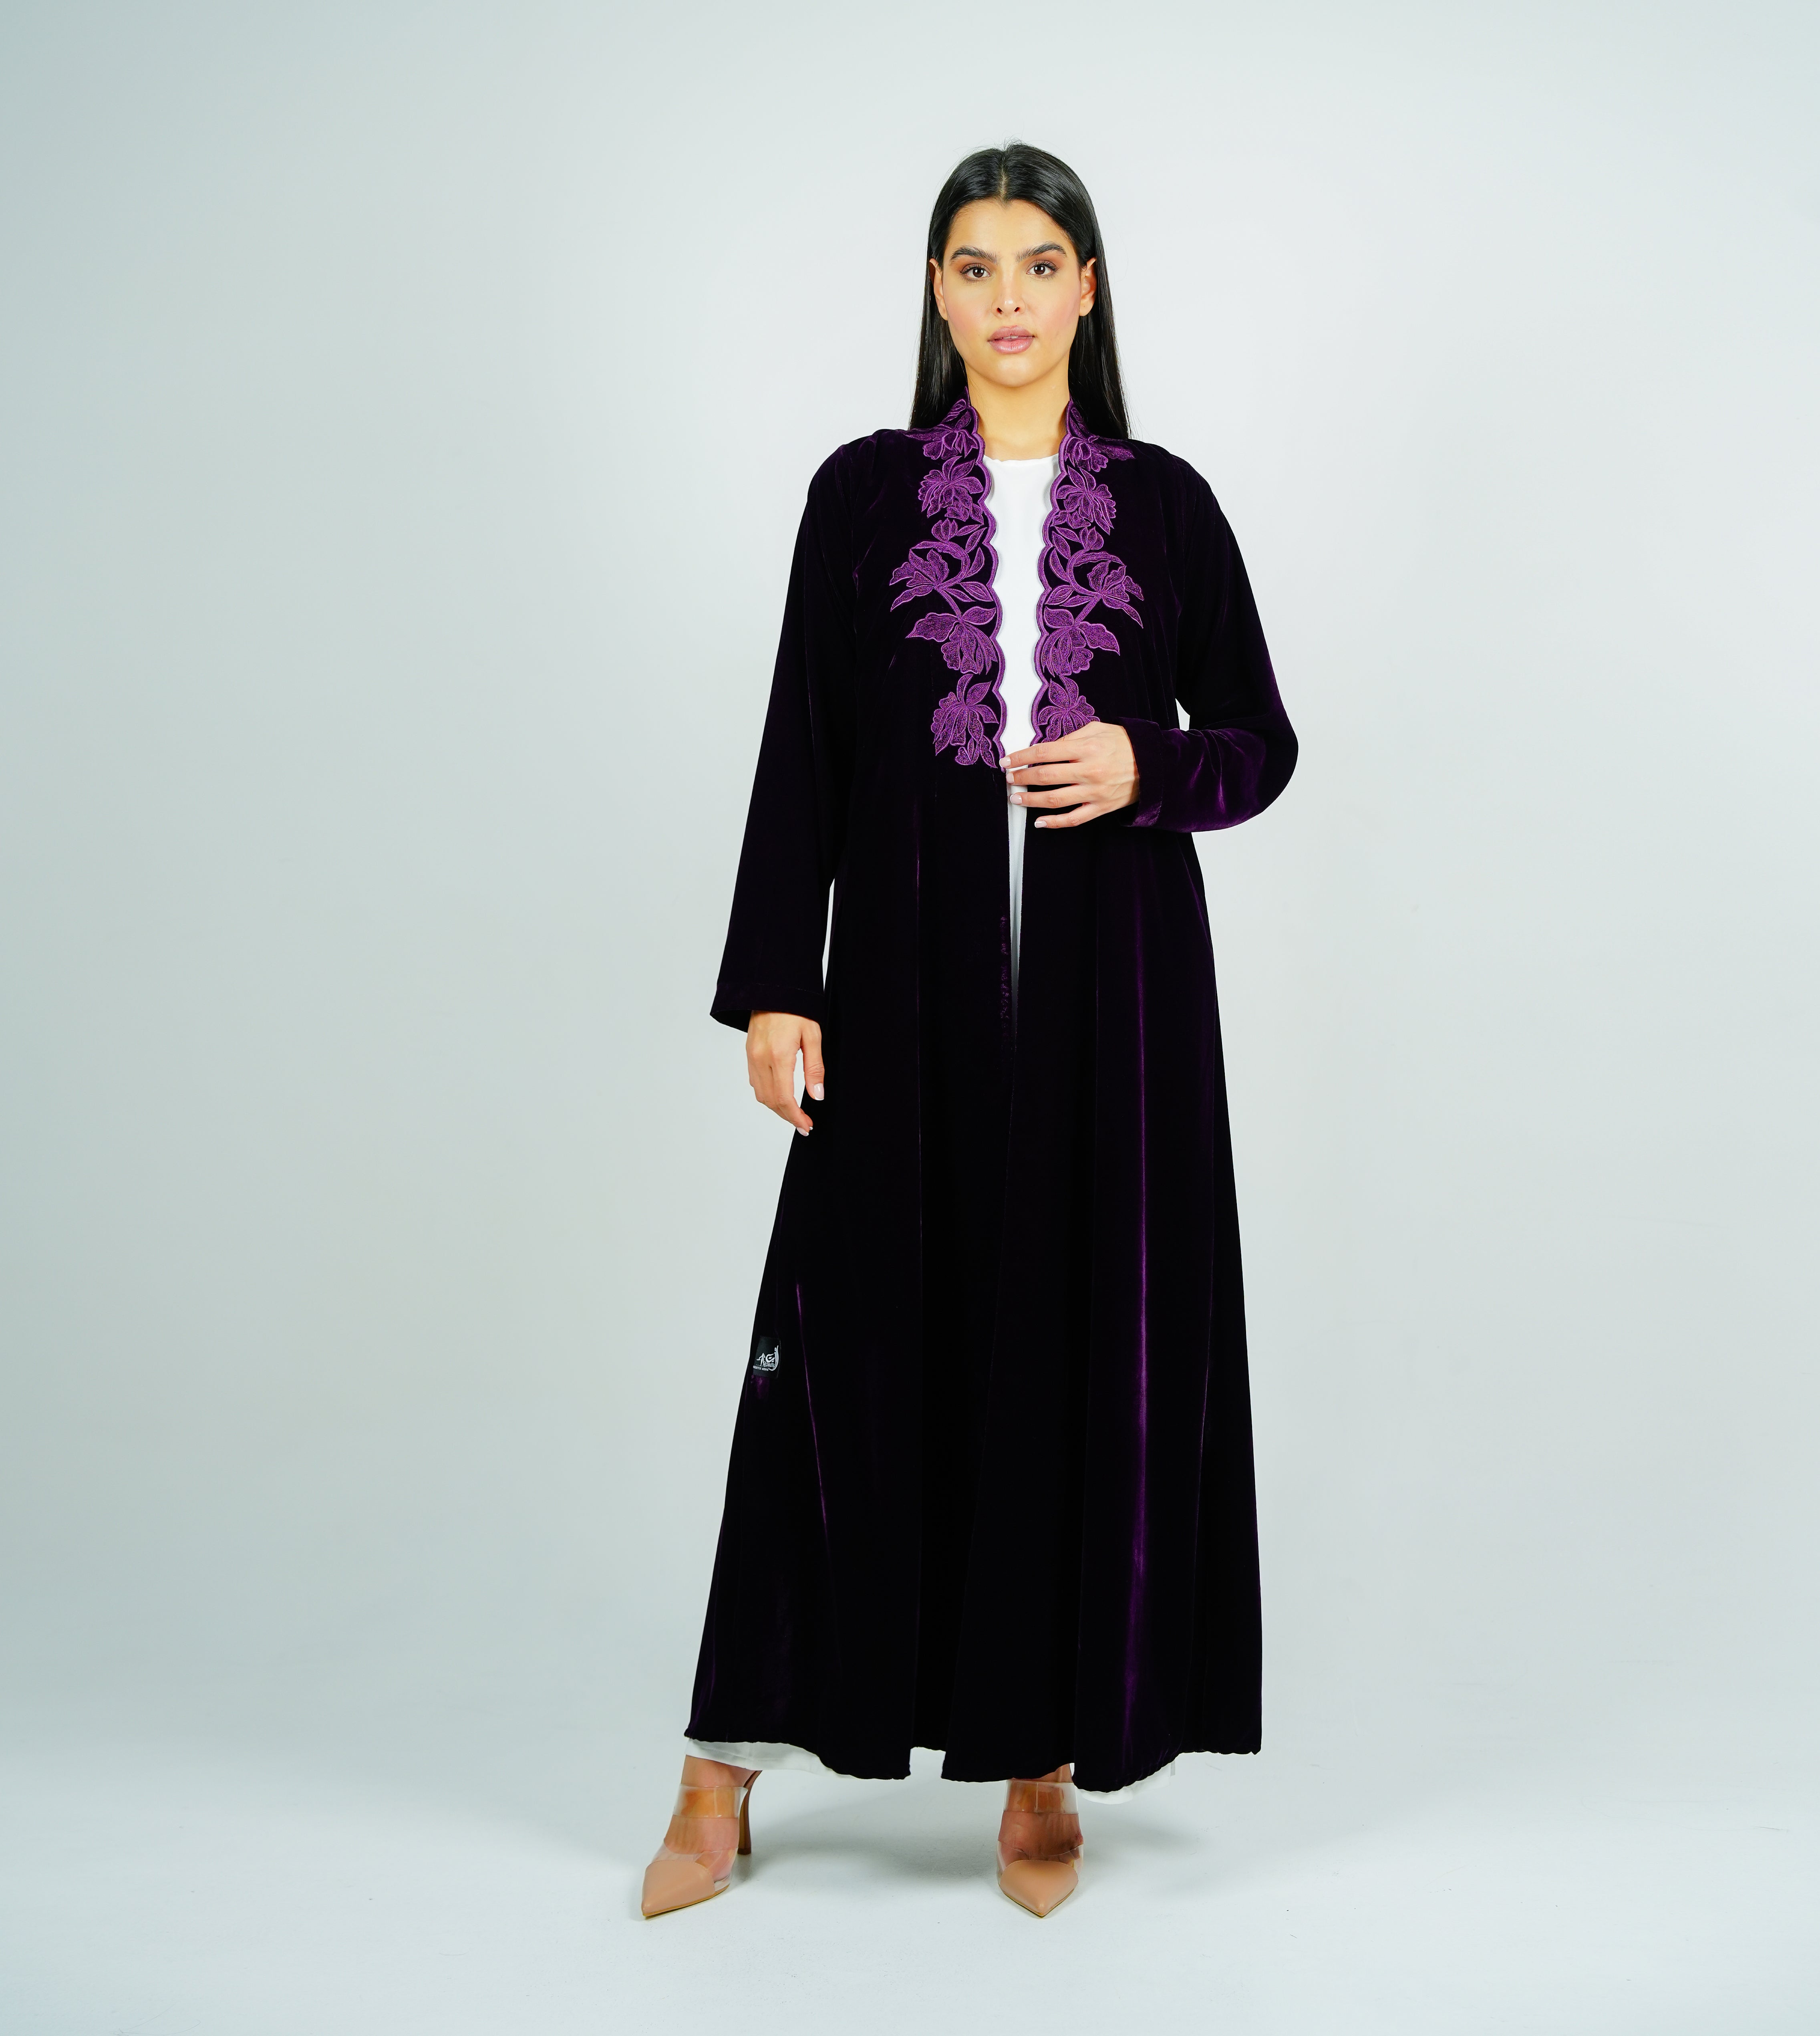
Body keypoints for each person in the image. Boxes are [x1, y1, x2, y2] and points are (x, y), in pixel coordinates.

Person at [641, 141, 1297, 1921]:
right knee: (835, 1356)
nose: (1007, 297)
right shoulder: (862, 496)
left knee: (1077, 1350)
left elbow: (1260, 738)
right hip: (901, 1002)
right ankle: (720, 1765)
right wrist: (778, 979)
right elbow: (802, 744)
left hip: (1115, 1018)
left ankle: (1037, 1759)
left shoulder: (1164, 505)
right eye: (973, 266)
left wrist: (1150, 760)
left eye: (1038, 263)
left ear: (1088, 286)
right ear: (936, 293)